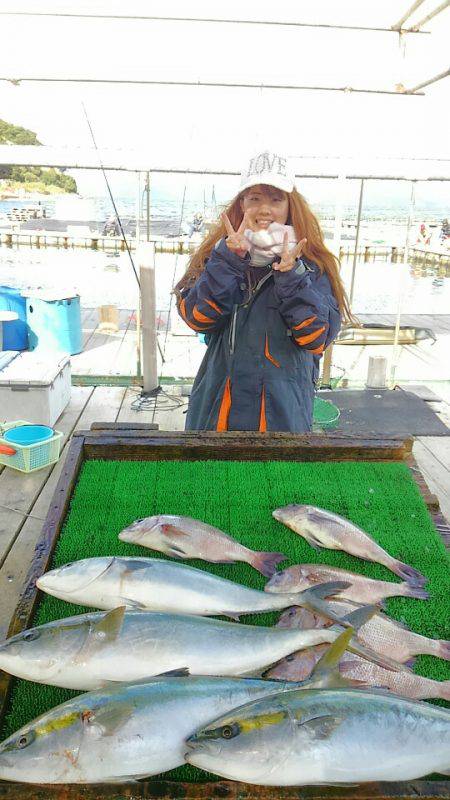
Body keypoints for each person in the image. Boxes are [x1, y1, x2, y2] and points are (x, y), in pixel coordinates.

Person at [174, 150, 353, 433]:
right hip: (216, 413)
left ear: (291, 206)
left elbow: (317, 338)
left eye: (275, 198)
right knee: (210, 477)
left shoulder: (313, 266)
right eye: (254, 198)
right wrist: (228, 261)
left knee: (277, 477)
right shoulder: (218, 255)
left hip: (282, 420)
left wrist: (291, 277)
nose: (264, 209)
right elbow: (197, 318)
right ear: (241, 204)